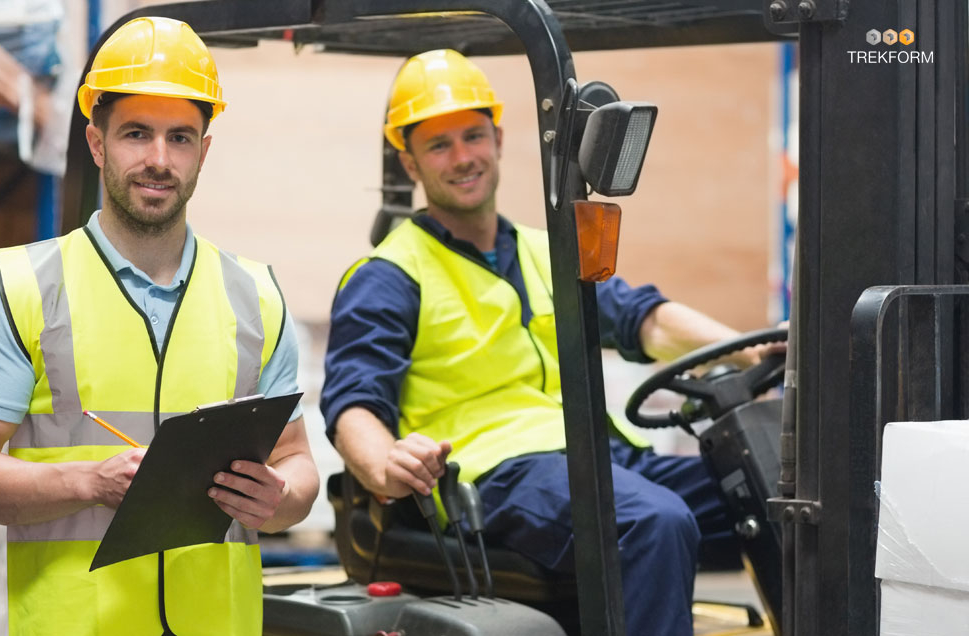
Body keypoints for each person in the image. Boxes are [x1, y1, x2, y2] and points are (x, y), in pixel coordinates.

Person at [322, 49, 766, 636]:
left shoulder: (547, 249)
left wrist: (752, 351)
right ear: (409, 163)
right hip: (498, 473)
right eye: (438, 145)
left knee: (767, 486)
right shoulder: (389, 273)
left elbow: (644, 320)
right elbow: (354, 399)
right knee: (651, 522)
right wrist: (383, 463)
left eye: (472, 136)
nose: (462, 158)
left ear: (499, 139)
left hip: (596, 455)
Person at [0, 17, 319, 636]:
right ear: (96, 142)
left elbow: (298, 465)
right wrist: (88, 479)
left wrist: (280, 499)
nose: (159, 161)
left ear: (204, 150)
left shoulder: (256, 298)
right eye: (136, 134)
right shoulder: (25, 289)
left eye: (180, 138)